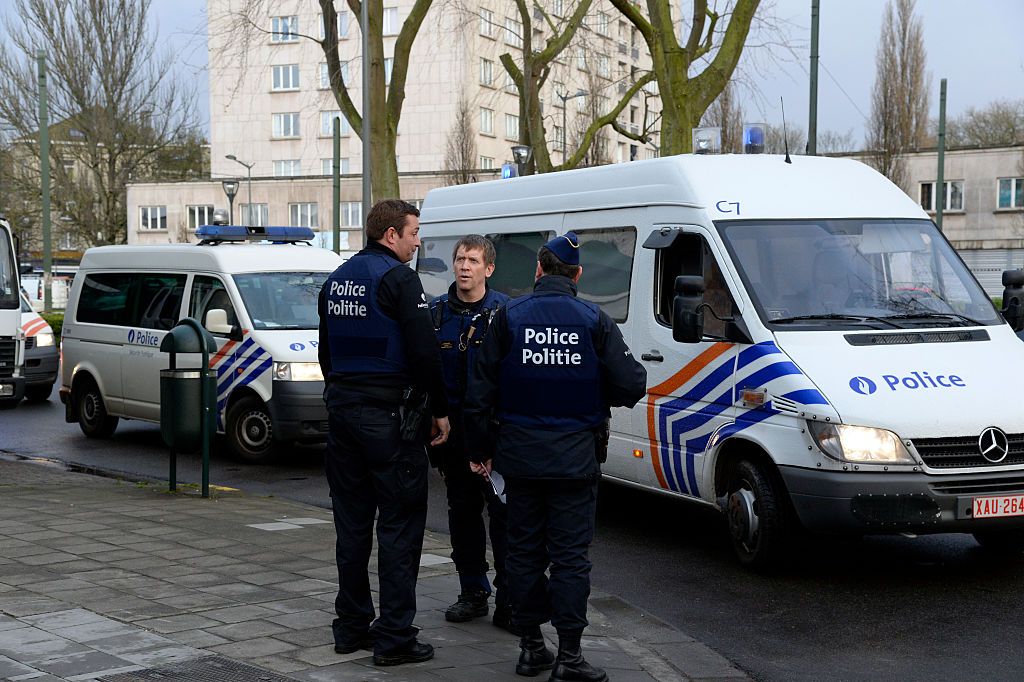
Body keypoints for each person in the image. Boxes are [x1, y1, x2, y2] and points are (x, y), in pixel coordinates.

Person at [464, 232, 647, 681]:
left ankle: (531, 648)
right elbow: (631, 385)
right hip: (575, 462)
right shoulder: (594, 319)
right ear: (578, 275)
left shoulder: (508, 317)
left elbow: (478, 391)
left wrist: (479, 450)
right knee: (569, 559)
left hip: (519, 462)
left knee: (523, 554)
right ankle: (569, 656)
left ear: (539, 270)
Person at [318, 198, 450, 667]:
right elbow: (424, 350)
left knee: (351, 526)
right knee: (399, 526)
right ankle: (394, 637)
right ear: (390, 234)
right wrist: (439, 409)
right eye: (414, 232)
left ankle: (351, 627)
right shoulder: (398, 278)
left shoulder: (337, 279)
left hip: (343, 416)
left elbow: (327, 354)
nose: (418, 241)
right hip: (389, 421)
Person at [427, 235, 516, 631]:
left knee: (504, 517)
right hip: (453, 435)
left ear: (489, 269)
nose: (464, 266)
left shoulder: (506, 314)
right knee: (462, 515)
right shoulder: (436, 314)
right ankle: (472, 591)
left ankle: (509, 597)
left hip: (495, 437)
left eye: (473, 260)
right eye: (460, 259)